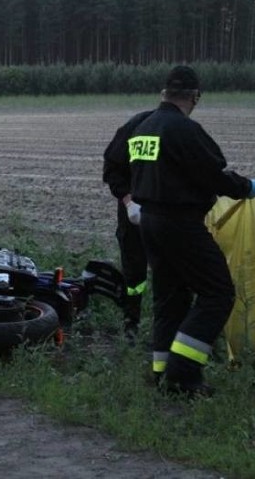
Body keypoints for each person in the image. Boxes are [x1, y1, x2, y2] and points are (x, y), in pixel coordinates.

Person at [128, 65, 255, 397]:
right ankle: (184, 374)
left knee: (170, 299)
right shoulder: (183, 129)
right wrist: (246, 187)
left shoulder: (143, 128)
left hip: (150, 222)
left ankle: (162, 374)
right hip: (180, 223)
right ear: (194, 97)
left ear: (164, 93)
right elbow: (212, 174)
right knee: (218, 293)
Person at [103, 108, 153, 342]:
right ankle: (131, 322)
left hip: (170, 214)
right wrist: (128, 200)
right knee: (134, 271)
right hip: (135, 212)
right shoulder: (136, 127)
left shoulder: (182, 131)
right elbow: (112, 167)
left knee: (174, 271)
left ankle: (171, 324)